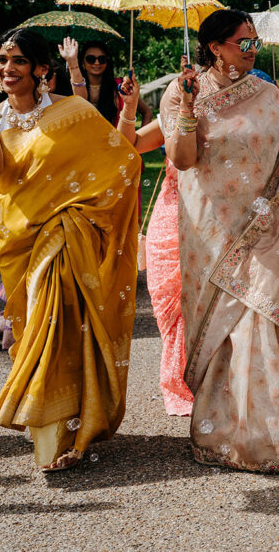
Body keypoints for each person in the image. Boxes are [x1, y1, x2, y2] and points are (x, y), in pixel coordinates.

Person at [0, 28, 141, 471]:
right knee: (32, 328)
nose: (7, 68)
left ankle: (62, 434)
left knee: (63, 324)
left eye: (18, 60)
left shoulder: (73, 111)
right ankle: (53, 420)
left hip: (66, 235)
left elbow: (123, 161)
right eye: (2, 60)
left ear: (41, 69)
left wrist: (85, 216)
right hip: (17, 237)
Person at [165, 9, 279, 472]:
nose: (253, 50)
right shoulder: (184, 90)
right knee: (220, 334)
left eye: (255, 42)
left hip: (264, 227)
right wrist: (188, 109)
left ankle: (270, 440)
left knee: (261, 324)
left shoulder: (268, 93)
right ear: (215, 47)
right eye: (244, 42)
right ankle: (216, 436)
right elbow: (182, 160)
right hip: (210, 231)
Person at [113, 71, 194, 416]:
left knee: (204, 303)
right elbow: (127, 144)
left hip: (213, 215)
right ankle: (178, 381)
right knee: (168, 301)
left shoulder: (232, 111)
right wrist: (130, 107)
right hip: (171, 213)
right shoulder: (174, 111)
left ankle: (211, 381)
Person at [58, 37, 151, 127]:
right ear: (83, 63)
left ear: (107, 62)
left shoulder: (120, 85)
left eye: (102, 59)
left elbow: (147, 112)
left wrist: (140, 135)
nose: (97, 63)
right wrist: (72, 62)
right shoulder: (73, 86)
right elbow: (80, 102)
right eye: (90, 59)